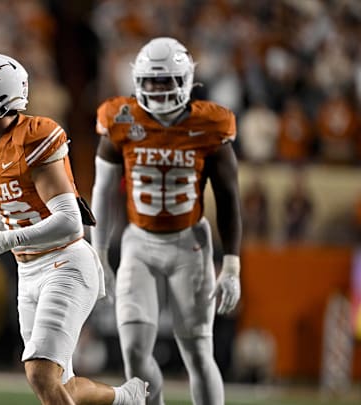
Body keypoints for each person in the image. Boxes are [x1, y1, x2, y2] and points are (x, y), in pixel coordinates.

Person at [0, 52, 147, 405]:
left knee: (40, 372)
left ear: (0, 98)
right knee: (59, 385)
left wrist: (4, 241)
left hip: (65, 263)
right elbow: (6, 206)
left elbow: (68, 221)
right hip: (28, 269)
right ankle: (127, 398)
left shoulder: (34, 136)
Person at [90, 37, 242, 405]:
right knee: (134, 352)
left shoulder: (210, 124)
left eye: (167, 80)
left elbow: (228, 196)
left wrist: (233, 265)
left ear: (187, 80)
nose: (158, 89)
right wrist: (98, 251)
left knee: (197, 351)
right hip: (139, 242)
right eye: (151, 81)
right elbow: (103, 190)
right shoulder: (120, 118)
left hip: (188, 243)